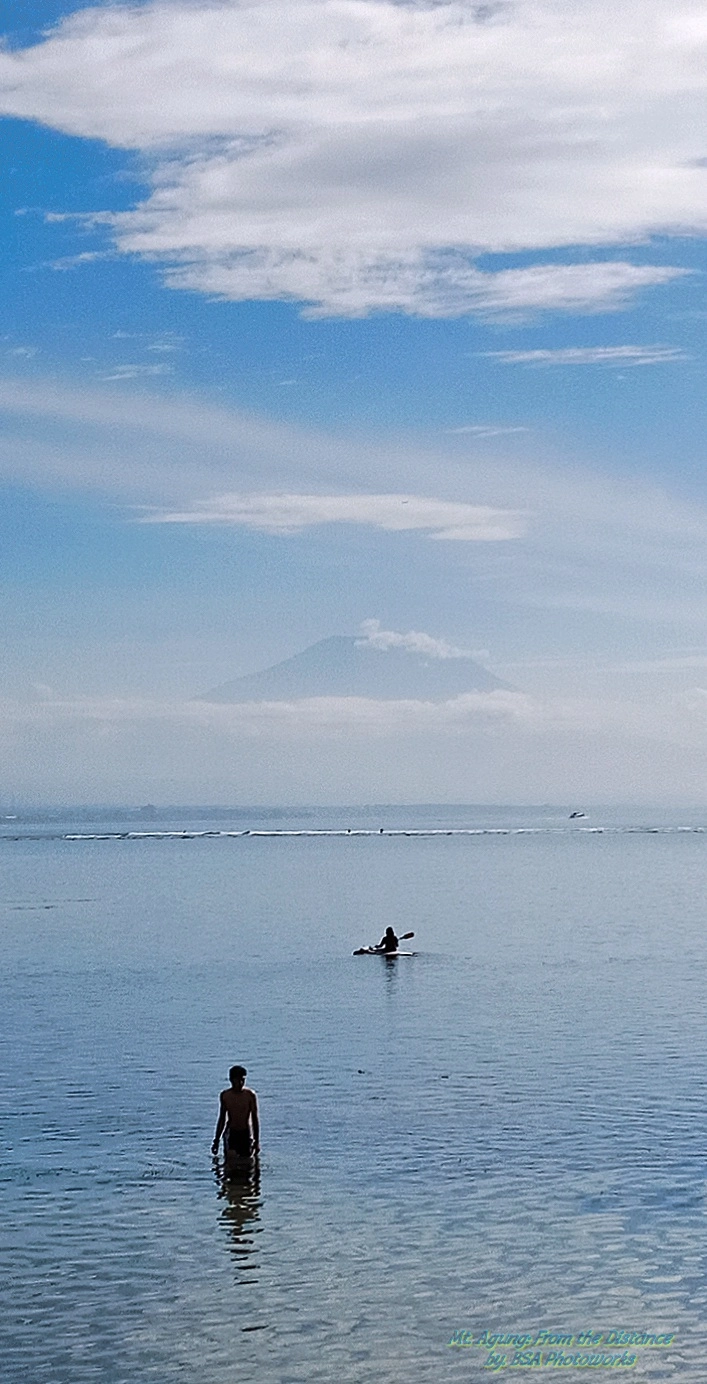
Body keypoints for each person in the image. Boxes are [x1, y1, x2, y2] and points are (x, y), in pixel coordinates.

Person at [211, 1065, 260, 1161]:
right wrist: (216, 1140)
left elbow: (255, 1118)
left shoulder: (250, 1095)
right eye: (238, 1080)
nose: (241, 1083)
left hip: (246, 1132)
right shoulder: (225, 1096)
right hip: (231, 1132)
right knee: (230, 1162)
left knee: (247, 1162)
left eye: (243, 1080)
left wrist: (256, 1141)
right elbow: (222, 1118)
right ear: (231, 1080)